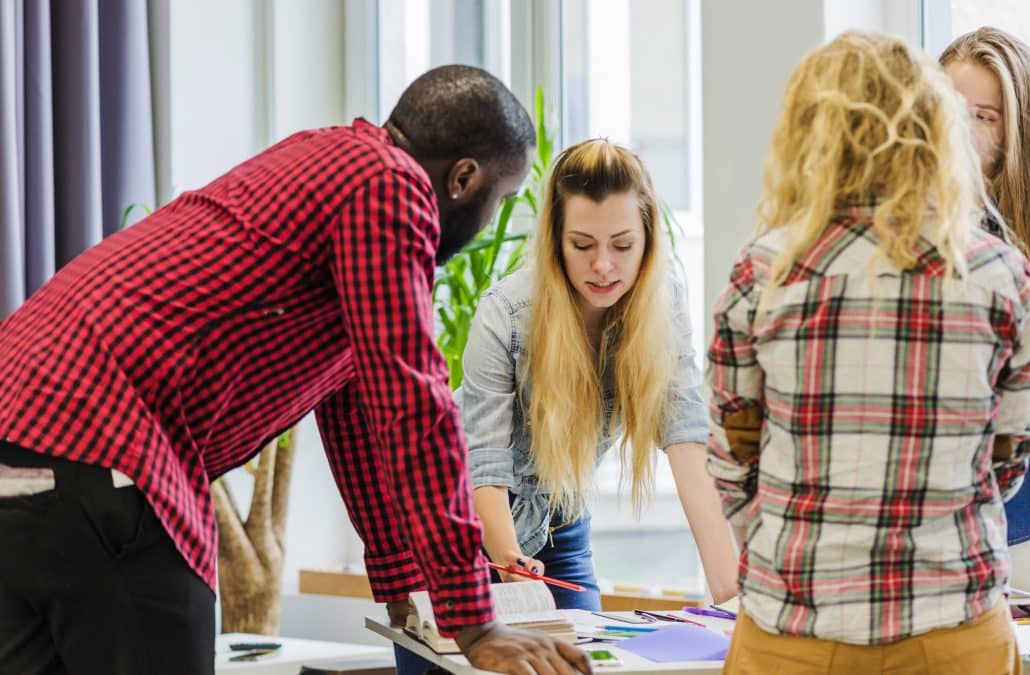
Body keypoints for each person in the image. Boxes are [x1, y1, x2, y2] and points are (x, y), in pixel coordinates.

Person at [0, 65, 591, 675]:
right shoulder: (387, 186)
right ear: (464, 177)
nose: (491, 222)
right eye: (501, 197)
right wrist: (474, 619)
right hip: (103, 445)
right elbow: (412, 405)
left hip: (17, 442)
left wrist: (403, 587)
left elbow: (358, 415)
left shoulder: (326, 161)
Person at [708, 32, 1030, 674]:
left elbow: (732, 454)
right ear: (935, 125)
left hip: (792, 628)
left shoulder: (764, 273)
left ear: (809, 133)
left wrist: (796, 545)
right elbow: (1007, 456)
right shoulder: (1003, 276)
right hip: (956, 628)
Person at [458, 138, 740, 611]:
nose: (604, 265)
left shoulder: (661, 304)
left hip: (559, 523)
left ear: (648, 239)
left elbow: (686, 436)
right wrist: (511, 568)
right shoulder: (506, 315)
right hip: (461, 531)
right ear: (555, 241)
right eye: (582, 245)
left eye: (623, 245)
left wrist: (728, 589)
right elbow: (483, 464)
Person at [940, 27, 1030, 605]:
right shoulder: (903, 229)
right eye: (951, 111)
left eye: (986, 117)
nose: (964, 132)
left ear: (1020, 128)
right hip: (930, 521)